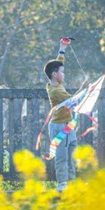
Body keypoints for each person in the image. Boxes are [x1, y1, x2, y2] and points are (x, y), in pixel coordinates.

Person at [44, 37, 78, 192]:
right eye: (62, 72)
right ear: (54, 74)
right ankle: (62, 183)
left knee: (71, 153)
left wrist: (62, 48)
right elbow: (73, 101)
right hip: (58, 128)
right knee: (61, 156)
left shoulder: (56, 83)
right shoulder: (56, 90)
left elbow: (58, 62)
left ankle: (72, 180)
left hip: (68, 125)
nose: (64, 75)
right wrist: (86, 89)